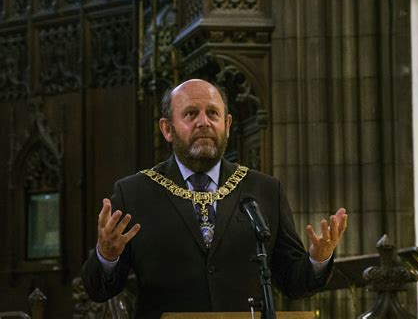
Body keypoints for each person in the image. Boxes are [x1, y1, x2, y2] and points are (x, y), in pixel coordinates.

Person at [82, 79, 348, 318]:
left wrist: (317, 259)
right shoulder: (135, 193)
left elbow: (293, 283)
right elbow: (98, 290)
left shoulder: (264, 190)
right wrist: (107, 256)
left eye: (212, 113)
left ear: (227, 124)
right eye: (190, 114)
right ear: (167, 128)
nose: (203, 122)